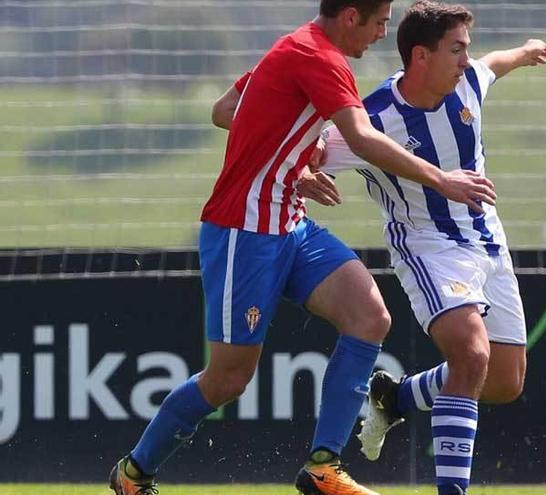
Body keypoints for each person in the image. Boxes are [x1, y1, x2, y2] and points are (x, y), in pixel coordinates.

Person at [108, 1, 497, 495]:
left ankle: (323, 467)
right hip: (243, 232)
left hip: (290, 224)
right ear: (352, 16)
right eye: (379, 23)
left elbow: (225, 109)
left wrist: (291, 164)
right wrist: (440, 178)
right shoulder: (320, 58)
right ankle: (134, 474)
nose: (382, 36)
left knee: (369, 317)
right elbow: (359, 137)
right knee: (229, 379)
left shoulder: (293, 47)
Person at [308, 2, 546, 494]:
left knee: (504, 381)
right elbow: (305, 148)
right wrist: (302, 173)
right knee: (471, 355)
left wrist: (525, 51)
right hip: (428, 248)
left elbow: (494, 63)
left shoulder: (468, 85)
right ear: (421, 56)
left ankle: (395, 397)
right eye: (456, 49)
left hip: (488, 242)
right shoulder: (370, 120)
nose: (467, 59)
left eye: (467, 48)